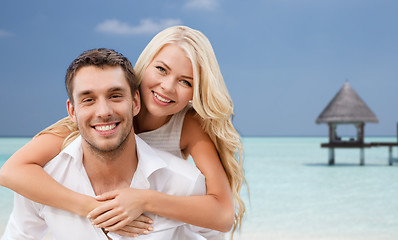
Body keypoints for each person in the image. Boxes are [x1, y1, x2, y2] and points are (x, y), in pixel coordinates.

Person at [0, 26, 246, 238]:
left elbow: (223, 215)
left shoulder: (188, 127)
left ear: (196, 93)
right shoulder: (92, 122)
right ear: (145, 66)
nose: (168, 87)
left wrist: (144, 200)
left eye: (186, 82)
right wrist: (93, 208)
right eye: (161, 69)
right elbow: (11, 171)